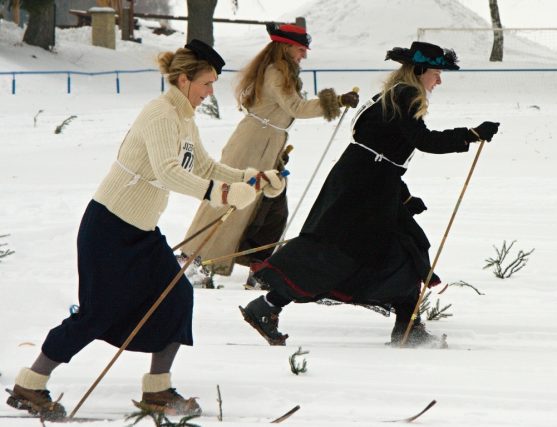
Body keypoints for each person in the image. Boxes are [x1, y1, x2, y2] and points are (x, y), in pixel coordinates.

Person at [5, 39, 285, 420]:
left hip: (142, 231)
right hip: (108, 228)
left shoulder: (184, 117)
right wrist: (222, 194)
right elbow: (167, 171)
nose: (210, 92)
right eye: (206, 83)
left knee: (177, 296)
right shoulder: (160, 115)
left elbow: (202, 166)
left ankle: (157, 389)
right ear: (184, 80)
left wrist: (251, 178)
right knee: (97, 313)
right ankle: (31, 383)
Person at [239, 41, 500, 347]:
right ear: (419, 71)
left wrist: (401, 195)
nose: (438, 80)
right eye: (436, 73)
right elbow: (423, 141)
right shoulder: (405, 95)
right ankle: (268, 306)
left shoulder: (393, 96)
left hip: (367, 185)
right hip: (361, 191)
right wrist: (470, 135)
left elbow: (383, 151)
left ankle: (408, 327)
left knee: (399, 248)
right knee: (337, 254)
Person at [180, 23, 360, 288]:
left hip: (267, 143)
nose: (304, 55)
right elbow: (296, 107)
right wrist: (337, 101)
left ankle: (260, 264)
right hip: (252, 144)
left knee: (272, 208)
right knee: (231, 202)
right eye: (301, 49)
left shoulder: (282, 71)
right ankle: (195, 260)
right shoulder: (276, 72)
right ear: (286, 47)